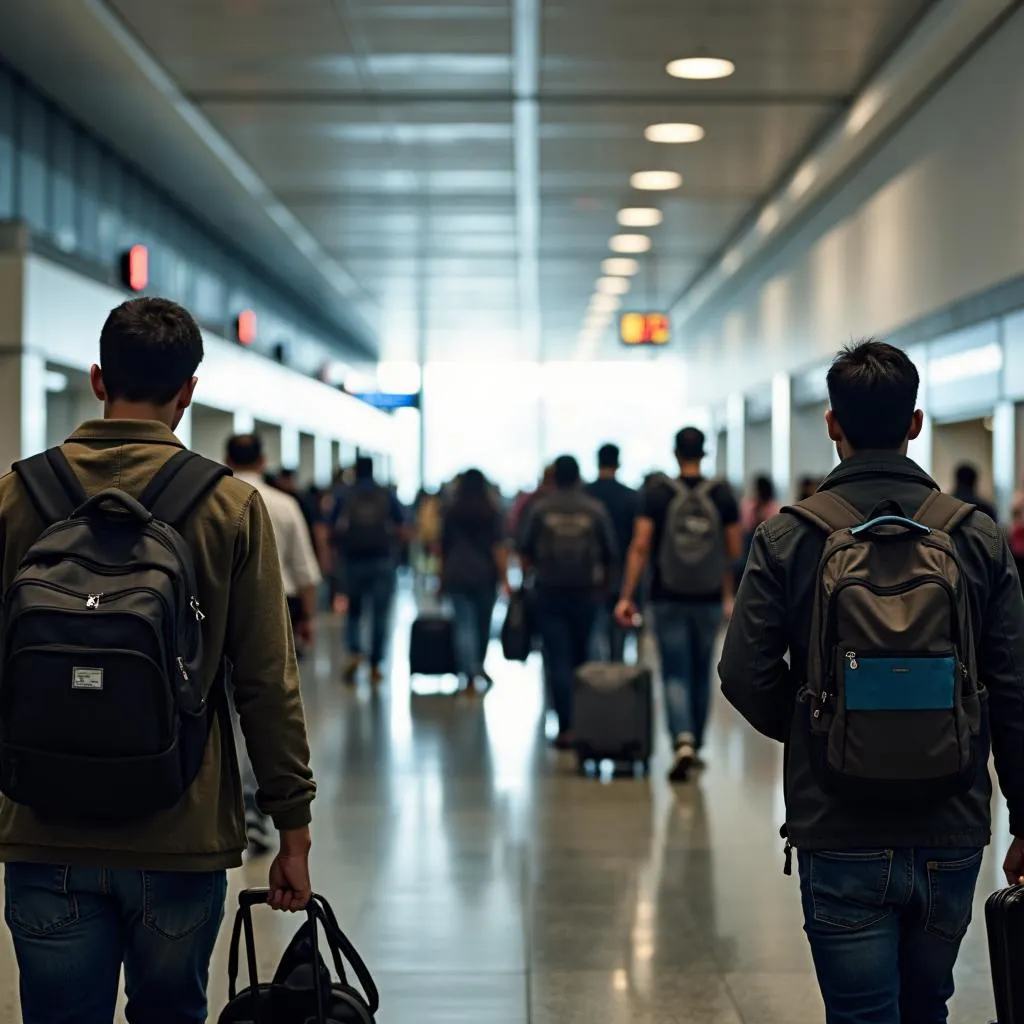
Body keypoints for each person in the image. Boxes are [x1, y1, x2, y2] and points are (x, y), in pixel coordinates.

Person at [0, 297, 315, 1023]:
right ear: (189, 392)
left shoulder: (19, 494)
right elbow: (267, 684)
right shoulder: (230, 507)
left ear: (97, 378)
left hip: (43, 826)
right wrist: (291, 829)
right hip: (179, 828)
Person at [719, 340, 1024, 1024]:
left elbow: (742, 672)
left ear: (833, 424)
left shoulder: (788, 538)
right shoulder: (975, 536)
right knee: (928, 1008)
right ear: (915, 423)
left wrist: (821, 725)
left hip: (837, 819)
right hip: (951, 822)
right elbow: (1014, 686)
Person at [615, 427, 741, 781]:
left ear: (675, 453)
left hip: (666, 596)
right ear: (704, 453)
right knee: (702, 670)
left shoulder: (657, 493)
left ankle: (682, 740)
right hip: (709, 597)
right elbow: (734, 550)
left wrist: (626, 595)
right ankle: (696, 744)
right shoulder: (721, 495)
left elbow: (640, 546)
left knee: (674, 670)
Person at [225, 434, 322, 853]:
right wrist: (310, 621)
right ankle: (254, 806)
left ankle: (228, 802)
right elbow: (305, 571)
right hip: (274, 614)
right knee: (266, 708)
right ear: (263, 459)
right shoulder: (283, 504)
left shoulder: (216, 497)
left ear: (227, 457)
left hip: (218, 617)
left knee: (223, 713)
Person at [519, 455, 617, 748]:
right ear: (577, 477)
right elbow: (611, 553)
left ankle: (566, 728)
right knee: (584, 658)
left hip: (550, 593)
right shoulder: (594, 509)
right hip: (586, 593)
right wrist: (604, 589)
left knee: (557, 659)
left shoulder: (540, 509)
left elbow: (524, 552)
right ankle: (587, 723)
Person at [332, 454, 406, 685]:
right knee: (380, 613)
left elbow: (329, 525)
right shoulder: (386, 493)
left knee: (354, 610)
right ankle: (375, 663)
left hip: (352, 559)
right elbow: (403, 524)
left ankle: (355, 651)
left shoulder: (345, 493)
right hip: (382, 561)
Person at [441, 469, 508, 695]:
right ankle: (477, 666)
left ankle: (468, 674)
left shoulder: (451, 511)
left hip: (457, 572)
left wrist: (442, 577)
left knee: (463, 625)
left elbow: (443, 547)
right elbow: (499, 547)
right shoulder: (491, 511)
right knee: (482, 625)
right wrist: (504, 577)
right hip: (484, 574)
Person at [586, 443, 639, 661]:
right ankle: (616, 681)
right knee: (618, 638)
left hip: (590, 575)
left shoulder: (585, 495)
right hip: (622, 574)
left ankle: (594, 684)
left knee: (593, 636)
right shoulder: (631, 497)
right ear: (618, 463)